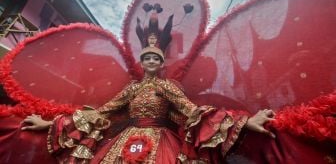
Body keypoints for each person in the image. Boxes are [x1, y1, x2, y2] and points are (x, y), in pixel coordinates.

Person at [22, 44, 275, 163]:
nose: (152, 61)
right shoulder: (131, 89)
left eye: (156, 57)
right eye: (147, 57)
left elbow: (191, 111)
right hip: (124, 139)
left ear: (161, 63)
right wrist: (47, 124)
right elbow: (101, 112)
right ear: (142, 63)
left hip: (162, 141)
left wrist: (244, 123)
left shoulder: (166, 87)